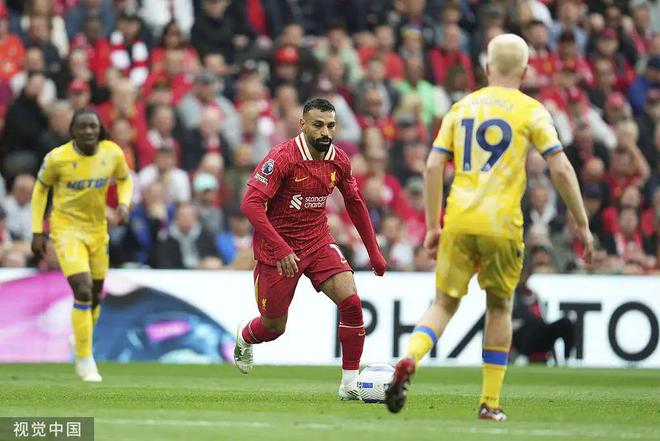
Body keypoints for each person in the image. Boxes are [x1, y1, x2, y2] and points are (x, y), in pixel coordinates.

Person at [385, 34, 593, 420]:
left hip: (459, 218)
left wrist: (432, 226)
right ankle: (489, 402)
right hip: (502, 224)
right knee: (499, 307)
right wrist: (581, 223)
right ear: (526, 71)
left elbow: (433, 166)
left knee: (443, 303)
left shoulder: (461, 108)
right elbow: (561, 168)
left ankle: (410, 357)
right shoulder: (532, 111)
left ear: (486, 68)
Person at [234, 98, 387, 400]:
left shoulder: (339, 159)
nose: (325, 132)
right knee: (273, 327)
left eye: (330, 125)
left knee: (352, 303)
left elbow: (355, 203)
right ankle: (244, 335)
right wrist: (280, 249)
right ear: (302, 125)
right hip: (278, 251)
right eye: (318, 125)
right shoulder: (283, 157)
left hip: (317, 240)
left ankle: (349, 384)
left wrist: (374, 251)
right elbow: (250, 204)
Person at [31, 108, 133, 382]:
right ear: (73, 131)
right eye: (83, 126)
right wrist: (38, 231)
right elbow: (40, 189)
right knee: (83, 289)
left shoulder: (112, 153)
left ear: (100, 129)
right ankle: (85, 359)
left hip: (98, 231)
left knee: (96, 296)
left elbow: (125, 179)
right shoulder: (58, 158)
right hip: (66, 230)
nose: (88, 131)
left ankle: (80, 338)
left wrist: (124, 204)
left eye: (93, 126)